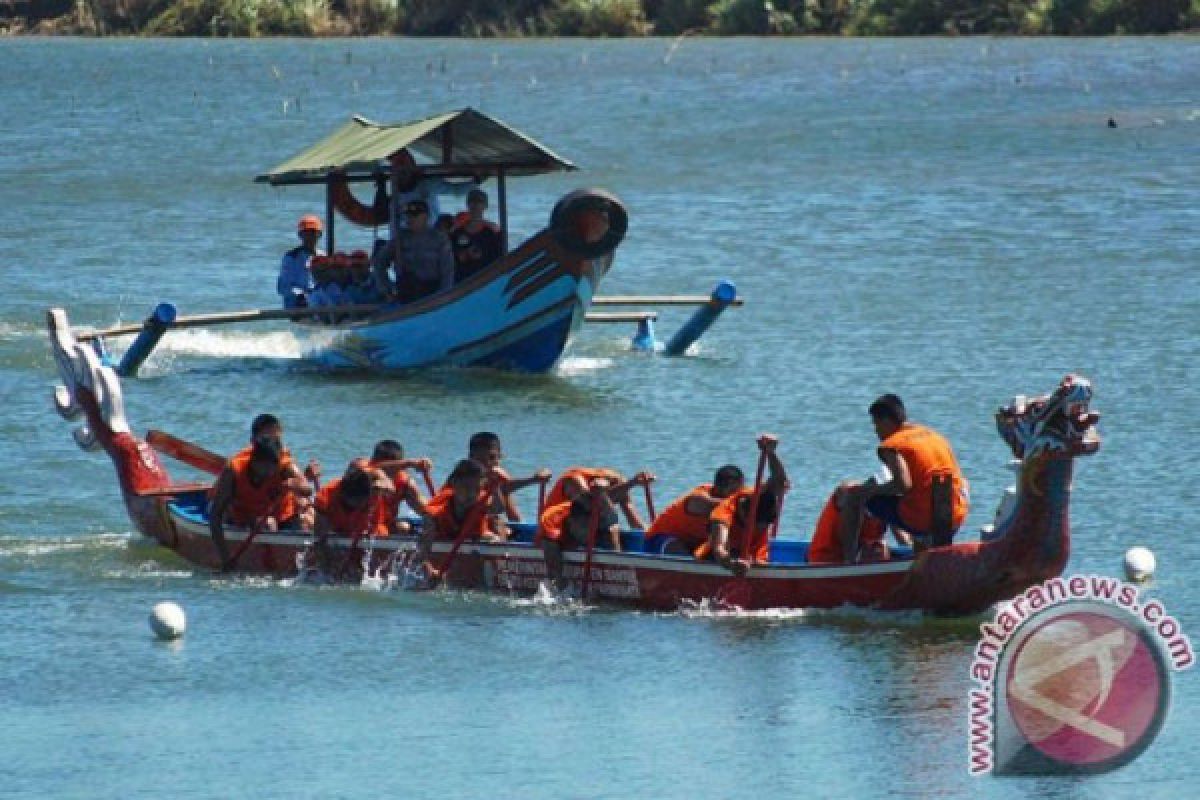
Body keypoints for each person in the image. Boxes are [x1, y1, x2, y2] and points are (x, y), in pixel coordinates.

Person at [836, 393, 970, 561]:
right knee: (911, 499)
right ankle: (920, 557)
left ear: (886, 421)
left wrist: (868, 491)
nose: (876, 431)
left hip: (925, 518)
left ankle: (848, 561)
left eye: (876, 424)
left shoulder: (892, 444)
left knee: (854, 496)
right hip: (955, 514)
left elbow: (902, 484)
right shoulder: (933, 435)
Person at [208, 436, 310, 571]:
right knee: (268, 524)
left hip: (283, 515)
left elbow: (307, 490)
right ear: (255, 462)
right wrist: (225, 557)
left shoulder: (285, 466)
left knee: (307, 520)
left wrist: (294, 484)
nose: (272, 473)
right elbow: (215, 515)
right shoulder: (234, 470)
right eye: (267, 468)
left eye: (275, 467)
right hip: (244, 517)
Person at [700, 435, 789, 576]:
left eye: (763, 526)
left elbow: (779, 480)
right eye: (755, 524)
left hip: (756, 560)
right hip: (720, 561)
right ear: (744, 511)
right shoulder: (723, 513)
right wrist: (732, 564)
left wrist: (771, 453)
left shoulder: (758, 494)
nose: (757, 530)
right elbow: (718, 549)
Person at [418, 459, 505, 580]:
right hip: (444, 535)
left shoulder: (481, 499)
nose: (472, 494)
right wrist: (427, 567)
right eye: (467, 487)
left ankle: (500, 568)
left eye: (477, 489)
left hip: (473, 534)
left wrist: (496, 485)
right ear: (453, 484)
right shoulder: (437, 510)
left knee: (497, 525)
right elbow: (423, 544)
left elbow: (499, 508)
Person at [538, 478, 622, 590]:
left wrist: (602, 493)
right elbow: (550, 557)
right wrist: (559, 579)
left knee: (612, 528)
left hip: (584, 526)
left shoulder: (598, 515)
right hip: (552, 536)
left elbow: (613, 520)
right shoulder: (552, 520)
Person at [645, 465, 745, 555]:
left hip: (694, 543)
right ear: (718, 488)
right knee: (678, 549)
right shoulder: (698, 499)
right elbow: (720, 507)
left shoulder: (738, 498)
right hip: (660, 538)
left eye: (739, 491)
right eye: (733, 492)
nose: (736, 496)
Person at [385, 149, 477, 243]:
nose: (401, 174)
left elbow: (456, 190)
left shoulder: (429, 184)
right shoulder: (395, 196)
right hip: (402, 244)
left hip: (429, 238)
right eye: (397, 168)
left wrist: (477, 180)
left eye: (403, 168)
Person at [372, 199, 455, 303]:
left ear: (425, 217)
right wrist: (387, 289)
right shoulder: (400, 239)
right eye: (408, 215)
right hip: (406, 295)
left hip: (433, 293)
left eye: (414, 215)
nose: (410, 219)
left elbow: (448, 271)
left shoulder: (439, 239)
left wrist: (443, 296)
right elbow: (379, 262)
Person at [466, 431, 551, 523]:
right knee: (495, 522)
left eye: (491, 458)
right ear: (470, 458)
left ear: (500, 457)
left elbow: (515, 518)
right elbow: (496, 509)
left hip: (487, 527)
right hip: (462, 527)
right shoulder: (463, 478)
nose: (487, 463)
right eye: (480, 460)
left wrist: (537, 479)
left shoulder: (498, 478)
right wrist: (533, 480)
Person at [545, 466, 654, 529]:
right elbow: (589, 504)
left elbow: (635, 522)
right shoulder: (574, 480)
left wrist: (651, 534)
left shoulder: (619, 481)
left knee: (612, 527)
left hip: (583, 521)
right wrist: (632, 483)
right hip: (552, 524)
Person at [365, 439, 431, 537]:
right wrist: (411, 463)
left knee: (405, 527)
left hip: (386, 526)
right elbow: (375, 467)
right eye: (387, 468)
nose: (387, 474)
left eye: (394, 469)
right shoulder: (363, 472)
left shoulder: (404, 482)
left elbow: (424, 509)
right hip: (359, 525)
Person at [450, 189, 503, 282]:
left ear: (485, 206)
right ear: (467, 204)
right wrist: (464, 255)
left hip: (486, 279)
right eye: (472, 201)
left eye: (479, 202)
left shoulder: (493, 231)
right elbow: (451, 259)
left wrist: (480, 255)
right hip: (462, 280)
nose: (475, 205)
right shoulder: (457, 232)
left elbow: (500, 259)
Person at [277, 214, 324, 309]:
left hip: (318, 303)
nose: (310, 236)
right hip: (297, 305)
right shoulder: (291, 257)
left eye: (313, 232)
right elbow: (283, 287)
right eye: (306, 233)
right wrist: (301, 295)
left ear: (319, 235)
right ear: (300, 235)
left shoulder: (323, 256)